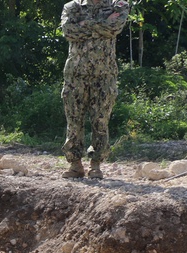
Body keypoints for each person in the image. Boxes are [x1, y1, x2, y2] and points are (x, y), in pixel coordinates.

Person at [60, 0, 129, 180]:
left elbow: (114, 29)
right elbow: (68, 31)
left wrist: (84, 25)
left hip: (104, 74)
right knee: (74, 120)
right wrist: (102, 23)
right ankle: (75, 165)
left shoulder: (118, 5)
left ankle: (95, 165)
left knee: (100, 120)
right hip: (75, 74)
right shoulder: (72, 7)